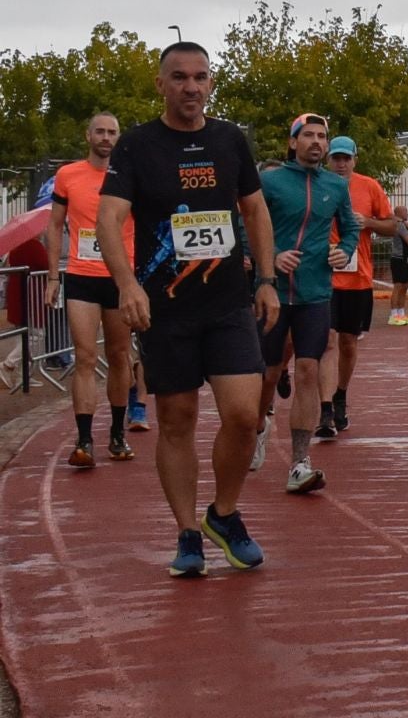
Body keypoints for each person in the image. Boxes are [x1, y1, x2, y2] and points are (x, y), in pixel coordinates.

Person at [96, 41, 279, 578]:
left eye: (200, 77)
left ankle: (223, 514)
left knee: (245, 416)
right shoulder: (136, 147)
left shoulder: (229, 140)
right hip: (165, 310)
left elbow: (254, 210)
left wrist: (266, 279)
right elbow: (109, 220)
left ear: (210, 83)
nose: (191, 87)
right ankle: (185, 532)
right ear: (161, 85)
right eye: (179, 77)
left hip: (227, 303)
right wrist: (127, 285)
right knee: (177, 420)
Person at [254, 114, 356, 493]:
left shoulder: (336, 185)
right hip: (274, 292)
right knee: (268, 371)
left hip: (315, 293)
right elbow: (245, 227)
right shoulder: (270, 181)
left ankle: (300, 462)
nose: (316, 142)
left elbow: (350, 230)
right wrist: (273, 257)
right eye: (308, 135)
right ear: (293, 141)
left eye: (322, 136)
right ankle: (260, 422)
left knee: (309, 371)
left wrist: (343, 251)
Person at [45, 113, 139, 468]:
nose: (105, 137)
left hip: (120, 277)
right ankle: (84, 440)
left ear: (119, 138)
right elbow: (54, 226)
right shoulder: (68, 175)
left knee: (119, 355)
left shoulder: (129, 175)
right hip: (81, 275)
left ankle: (117, 434)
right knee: (84, 356)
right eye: (99, 131)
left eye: (112, 132)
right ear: (88, 135)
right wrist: (54, 276)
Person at [318, 137, 395, 437]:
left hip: (357, 277)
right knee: (327, 340)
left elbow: (391, 226)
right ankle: (325, 411)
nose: (340, 164)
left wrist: (368, 222)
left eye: (345, 158)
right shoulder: (317, 185)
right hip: (322, 276)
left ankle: (340, 394)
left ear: (354, 160)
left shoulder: (369, 187)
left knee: (348, 342)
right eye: (335, 158)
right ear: (328, 160)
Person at [387, 203, 408, 327]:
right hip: (398, 259)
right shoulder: (399, 226)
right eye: (405, 211)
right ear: (399, 213)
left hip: (407, 259)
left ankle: (401, 312)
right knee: (398, 286)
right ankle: (393, 315)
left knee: (405, 286)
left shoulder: (405, 224)